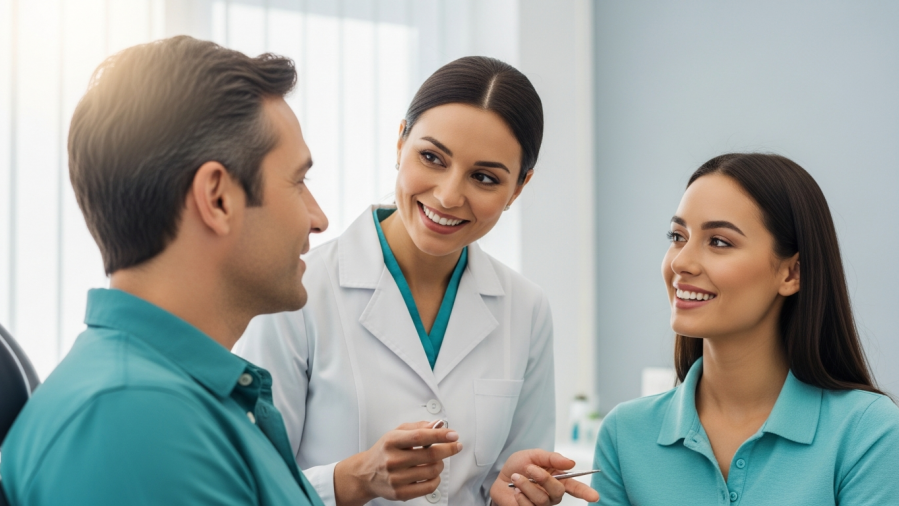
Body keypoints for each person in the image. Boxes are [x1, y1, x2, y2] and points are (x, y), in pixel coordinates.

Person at [234, 56, 598, 506]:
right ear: (400, 142)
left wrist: (515, 493)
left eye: (484, 177)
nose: (448, 195)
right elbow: (246, 487)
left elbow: (505, 481)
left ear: (518, 188)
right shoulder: (297, 290)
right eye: (431, 157)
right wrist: (352, 480)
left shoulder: (526, 309)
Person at [0, 36, 342, 505]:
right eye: (298, 181)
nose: (318, 218)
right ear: (218, 198)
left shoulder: (178, 401)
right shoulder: (134, 418)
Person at [590, 153, 899, 505]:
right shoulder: (624, 435)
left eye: (719, 242)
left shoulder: (867, 434)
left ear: (792, 273)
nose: (680, 262)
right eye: (677, 236)